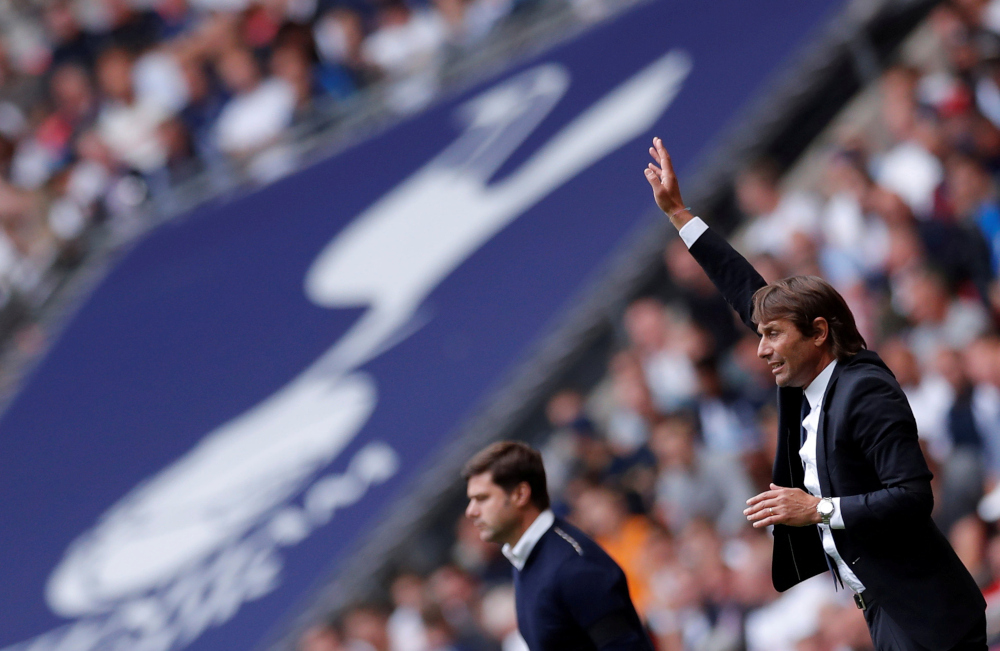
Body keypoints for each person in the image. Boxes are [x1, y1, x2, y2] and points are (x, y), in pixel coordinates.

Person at [643, 137, 986, 651]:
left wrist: (818, 510)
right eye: (760, 335)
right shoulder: (804, 383)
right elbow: (745, 290)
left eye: (773, 335)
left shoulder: (864, 389)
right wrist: (680, 216)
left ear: (819, 332)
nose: (761, 350)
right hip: (886, 609)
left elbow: (913, 496)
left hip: (927, 616)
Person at [462, 441, 654, 651]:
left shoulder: (574, 566)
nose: (471, 511)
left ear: (520, 495)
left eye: (482, 498)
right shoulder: (526, 562)